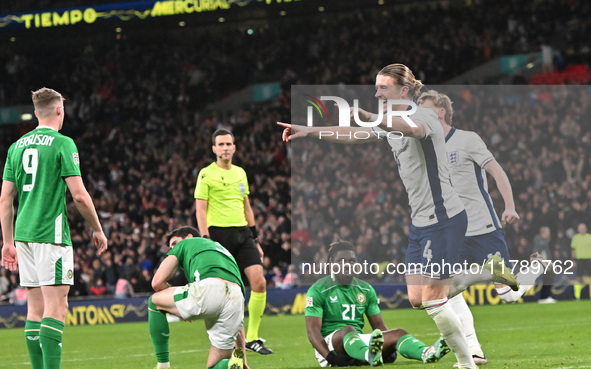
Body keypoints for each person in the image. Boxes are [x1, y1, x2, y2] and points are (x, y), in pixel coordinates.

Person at [278, 63, 518, 369]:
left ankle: (467, 361)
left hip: (445, 218)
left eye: (383, 88)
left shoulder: (425, 116)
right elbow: (353, 135)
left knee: (433, 299)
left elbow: (411, 129)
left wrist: (375, 118)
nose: (376, 93)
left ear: (403, 91)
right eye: (376, 88)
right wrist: (310, 131)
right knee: (417, 298)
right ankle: (488, 271)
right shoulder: (388, 121)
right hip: (420, 223)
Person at [417, 90, 552, 365]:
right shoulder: (428, 147)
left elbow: (497, 172)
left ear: (440, 112)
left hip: (483, 229)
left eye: (425, 109)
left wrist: (510, 206)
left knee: (509, 293)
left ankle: (536, 267)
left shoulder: (467, 139)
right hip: (452, 233)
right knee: (446, 291)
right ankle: (473, 348)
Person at [0, 87, 108, 369]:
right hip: (51, 234)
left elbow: (5, 198)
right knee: (57, 309)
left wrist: (7, 242)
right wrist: (97, 228)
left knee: (34, 310)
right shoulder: (63, 143)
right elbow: (80, 195)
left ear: (36, 113)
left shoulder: (16, 147)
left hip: (23, 235)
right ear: (60, 109)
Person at [305, 241, 451, 367]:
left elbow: (379, 327)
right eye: (341, 261)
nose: (347, 265)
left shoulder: (365, 289)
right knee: (348, 330)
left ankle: (426, 352)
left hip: (355, 343)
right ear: (331, 263)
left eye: (352, 261)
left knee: (398, 333)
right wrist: (331, 358)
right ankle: (369, 355)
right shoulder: (318, 290)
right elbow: (313, 332)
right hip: (329, 347)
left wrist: (389, 346)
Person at [195, 129, 272, 355]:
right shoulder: (205, 174)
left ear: (234, 147)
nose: (225, 147)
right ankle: (227, 339)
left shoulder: (240, 173)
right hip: (218, 236)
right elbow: (200, 209)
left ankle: (254, 337)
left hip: (243, 234)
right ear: (214, 149)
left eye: (229, 143)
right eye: (221, 144)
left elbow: (246, 205)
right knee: (228, 290)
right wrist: (206, 239)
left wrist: (255, 238)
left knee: (259, 282)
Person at [148, 226, 247, 369]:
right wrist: (242, 357)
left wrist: (177, 303)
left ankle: (163, 366)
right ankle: (232, 364)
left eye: (174, 243)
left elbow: (157, 283)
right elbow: (239, 325)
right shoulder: (222, 250)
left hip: (209, 287)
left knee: (155, 301)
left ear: (188, 237)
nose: (172, 249)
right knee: (216, 366)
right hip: (236, 296)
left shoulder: (186, 243)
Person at [571, 223, 591, 300]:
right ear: (578, 229)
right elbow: (573, 250)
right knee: (579, 278)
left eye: (583, 228)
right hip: (579, 260)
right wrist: (573, 260)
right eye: (580, 228)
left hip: (589, 259)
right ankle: (577, 296)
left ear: (586, 228)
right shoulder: (575, 238)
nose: (582, 229)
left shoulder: (589, 237)